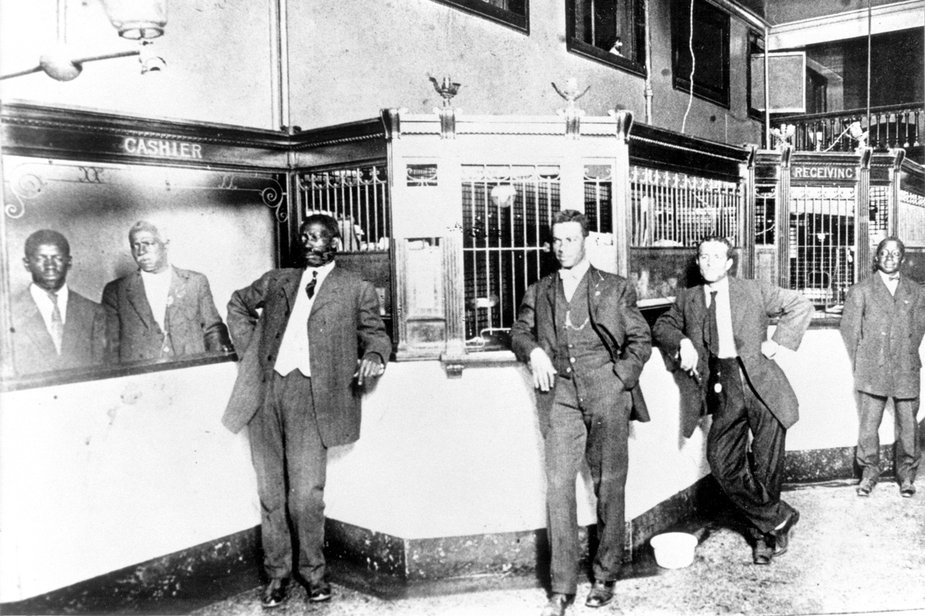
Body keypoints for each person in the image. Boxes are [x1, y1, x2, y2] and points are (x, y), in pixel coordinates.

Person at [223, 213, 390, 608]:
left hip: (312, 396)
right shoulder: (278, 280)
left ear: (335, 244)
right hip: (266, 392)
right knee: (270, 491)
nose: (310, 243)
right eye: (305, 237)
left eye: (319, 237)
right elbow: (237, 304)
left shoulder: (355, 287)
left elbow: (376, 334)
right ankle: (276, 576)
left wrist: (374, 355)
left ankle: (314, 574)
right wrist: (253, 354)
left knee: (307, 496)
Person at [510, 210, 651, 616]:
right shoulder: (540, 290)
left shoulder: (615, 288)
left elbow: (640, 340)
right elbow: (520, 331)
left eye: (570, 239)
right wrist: (534, 350)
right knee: (558, 488)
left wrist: (619, 379)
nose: (561, 247)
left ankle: (606, 576)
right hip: (561, 398)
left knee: (609, 486)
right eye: (555, 240)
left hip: (607, 395)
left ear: (585, 240)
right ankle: (562, 586)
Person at [652, 236, 812, 566]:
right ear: (698, 263)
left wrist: (779, 342)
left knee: (767, 465)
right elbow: (663, 326)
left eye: (716, 257)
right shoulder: (689, 298)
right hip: (724, 385)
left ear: (729, 263)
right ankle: (778, 517)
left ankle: (764, 537)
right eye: (703, 257)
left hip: (763, 385)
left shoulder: (753, 290)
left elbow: (800, 304)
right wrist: (681, 341)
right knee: (722, 459)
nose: (708, 262)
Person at [840, 236, 924, 498]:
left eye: (895, 253)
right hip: (871, 368)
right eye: (884, 253)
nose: (889, 257)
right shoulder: (861, 290)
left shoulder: (916, 290)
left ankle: (907, 475)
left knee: (908, 426)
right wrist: (863, 358)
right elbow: (850, 330)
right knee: (868, 426)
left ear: (903, 259)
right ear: (876, 258)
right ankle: (868, 473)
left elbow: (919, 328)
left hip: (905, 366)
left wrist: (905, 352)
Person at [102, 221, 231, 363]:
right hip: (143, 379)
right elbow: (110, 347)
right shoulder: (115, 291)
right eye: (135, 246)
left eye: (148, 243)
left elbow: (213, 331)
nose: (141, 251)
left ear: (166, 245)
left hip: (192, 374)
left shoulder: (195, 282)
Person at [10, 229, 106, 375]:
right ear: (27, 263)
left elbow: (102, 373)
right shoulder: (8, 314)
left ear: (69, 262)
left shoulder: (93, 312)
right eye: (41, 258)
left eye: (57, 258)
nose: (50, 265)